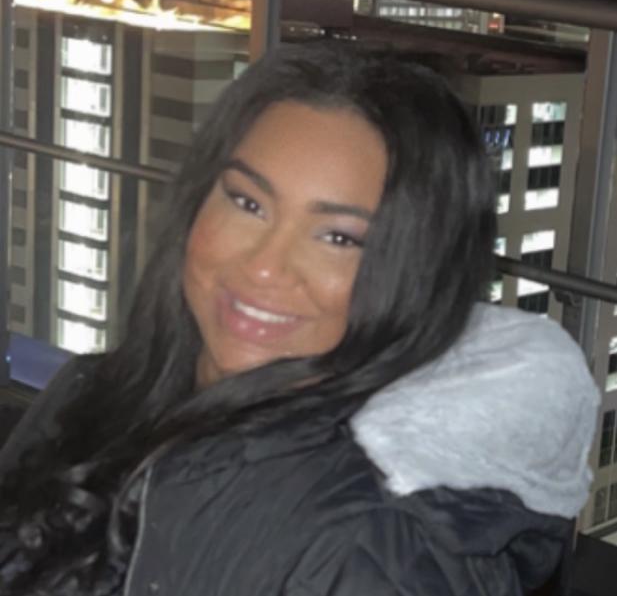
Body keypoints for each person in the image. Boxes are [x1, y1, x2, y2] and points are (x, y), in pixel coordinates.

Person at [0, 41, 598, 596]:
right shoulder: (96, 388)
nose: (264, 267)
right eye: (248, 202)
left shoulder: (355, 545)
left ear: (413, 272)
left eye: (339, 237)